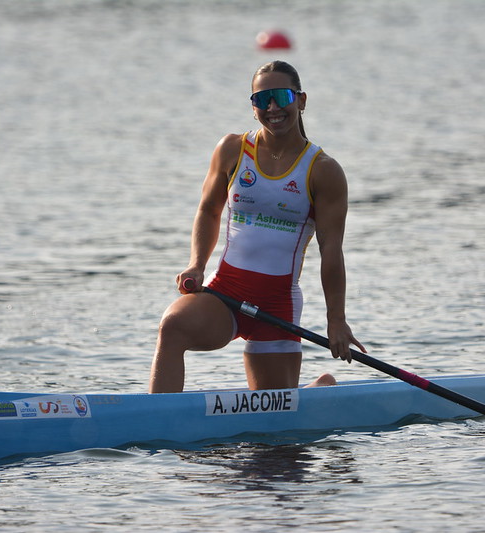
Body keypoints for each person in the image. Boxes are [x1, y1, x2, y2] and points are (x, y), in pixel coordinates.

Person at [149, 60, 365, 393]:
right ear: (253, 108)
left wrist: (336, 318)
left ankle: (320, 389)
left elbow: (331, 251)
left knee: (277, 428)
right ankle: (156, 423)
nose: (273, 107)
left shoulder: (323, 171)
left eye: (281, 96)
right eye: (262, 99)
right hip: (226, 294)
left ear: (301, 100)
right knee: (173, 326)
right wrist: (196, 265)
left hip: (277, 305)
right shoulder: (233, 149)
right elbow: (208, 211)